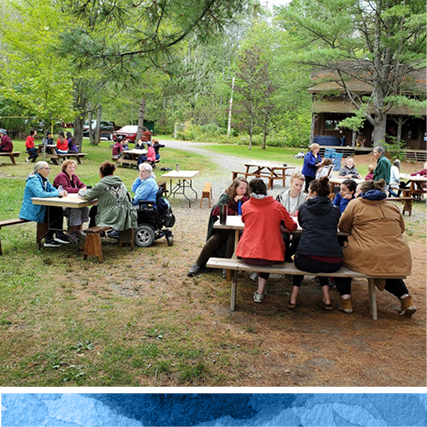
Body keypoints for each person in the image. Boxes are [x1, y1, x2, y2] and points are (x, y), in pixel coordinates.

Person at [334, 179, 416, 317]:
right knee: (385, 266)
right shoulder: (392, 206)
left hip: (367, 254)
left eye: (358, 192)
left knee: (339, 259)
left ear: (364, 194)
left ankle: (346, 299)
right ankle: (406, 298)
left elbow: (343, 228)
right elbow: (401, 229)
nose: (355, 195)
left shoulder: (356, 204)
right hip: (397, 255)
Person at [235, 178, 297, 303]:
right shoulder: (277, 206)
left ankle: (257, 280)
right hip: (270, 255)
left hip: (246, 253)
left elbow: (244, 221)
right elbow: (292, 226)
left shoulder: (246, 206)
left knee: (261, 252)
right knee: (266, 254)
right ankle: (260, 291)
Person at [289, 177, 343, 310]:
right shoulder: (335, 210)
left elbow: (301, 225)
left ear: (313, 192)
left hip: (307, 259)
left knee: (308, 253)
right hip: (333, 261)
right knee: (320, 252)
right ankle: (327, 297)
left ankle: (293, 298)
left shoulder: (304, 208)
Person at [187, 177, 249, 277]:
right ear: (235, 188)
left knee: (232, 239)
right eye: (241, 188)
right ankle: (197, 264)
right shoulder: (226, 196)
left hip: (239, 228)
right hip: (226, 227)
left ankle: (227, 268)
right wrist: (233, 210)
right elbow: (216, 211)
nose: (243, 191)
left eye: (245, 188)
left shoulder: (246, 198)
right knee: (215, 238)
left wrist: (243, 199)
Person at [79, 161, 137, 239]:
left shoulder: (101, 185)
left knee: (93, 210)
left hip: (112, 215)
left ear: (101, 173)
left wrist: (81, 191)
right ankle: (98, 234)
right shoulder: (121, 183)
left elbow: (86, 196)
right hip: (124, 213)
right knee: (94, 209)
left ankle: (91, 237)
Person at [19, 161, 70, 248]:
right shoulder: (34, 180)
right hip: (33, 209)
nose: (48, 170)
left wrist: (60, 192)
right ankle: (50, 237)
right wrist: (58, 194)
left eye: (49, 168)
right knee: (53, 210)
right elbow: (41, 194)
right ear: (38, 170)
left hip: (41, 206)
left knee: (56, 208)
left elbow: (53, 190)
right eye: (46, 168)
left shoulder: (45, 180)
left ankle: (58, 234)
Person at [53, 160, 89, 241]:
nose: (72, 169)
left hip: (72, 200)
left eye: (73, 167)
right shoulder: (61, 176)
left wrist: (83, 188)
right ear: (65, 168)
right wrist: (79, 190)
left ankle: (78, 229)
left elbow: (82, 185)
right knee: (75, 210)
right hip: (61, 203)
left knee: (85, 208)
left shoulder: (74, 176)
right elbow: (65, 189)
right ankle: (71, 232)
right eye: (70, 167)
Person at [276, 172, 306, 262]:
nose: (298, 188)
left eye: (301, 185)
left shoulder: (304, 198)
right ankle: (287, 259)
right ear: (291, 183)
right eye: (296, 185)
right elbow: (278, 215)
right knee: (284, 238)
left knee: (298, 238)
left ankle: (287, 257)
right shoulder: (281, 196)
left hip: (298, 225)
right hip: (284, 225)